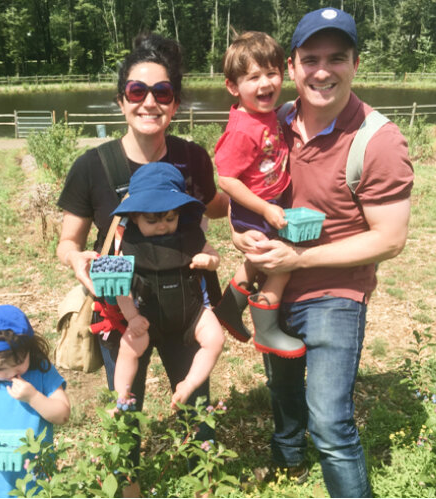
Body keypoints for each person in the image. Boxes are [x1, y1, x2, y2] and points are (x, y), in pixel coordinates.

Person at [231, 8, 414, 497]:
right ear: (291, 66)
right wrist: (238, 236)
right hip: (275, 284)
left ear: (355, 64)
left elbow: (390, 238)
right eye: (310, 58)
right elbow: (240, 190)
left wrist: (300, 261)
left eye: (337, 58)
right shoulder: (275, 121)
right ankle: (288, 463)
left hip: (335, 292)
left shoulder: (378, 140)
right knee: (284, 391)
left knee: (330, 422)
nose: (322, 70)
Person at [56, 32, 228, 488]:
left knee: (196, 402)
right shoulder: (93, 166)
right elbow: (67, 242)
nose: (149, 102)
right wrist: (79, 261)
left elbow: (217, 207)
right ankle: (126, 484)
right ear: (121, 100)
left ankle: (202, 481)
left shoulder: (192, 158)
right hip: (125, 309)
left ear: (175, 103)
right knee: (125, 403)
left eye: (162, 92)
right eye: (137, 91)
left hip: (186, 305)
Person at [212, 31, 305, 359]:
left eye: (272, 73)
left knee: (257, 262)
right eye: (253, 77)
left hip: (267, 203)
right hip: (256, 207)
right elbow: (227, 180)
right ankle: (266, 330)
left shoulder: (264, 115)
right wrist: (264, 209)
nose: (265, 83)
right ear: (233, 87)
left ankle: (227, 308)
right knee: (282, 262)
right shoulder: (241, 129)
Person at [110, 162, 225, 410]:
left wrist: (210, 260)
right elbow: (120, 286)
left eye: (170, 218)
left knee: (215, 339)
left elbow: (213, 255)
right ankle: (122, 393)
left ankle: (190, 383)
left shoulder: (190, 235)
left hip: (191, 312)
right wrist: (131, 316)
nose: (163, 225)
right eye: (152, 221)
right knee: (128, 348)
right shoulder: (127, 242)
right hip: (147, 315)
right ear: (134, 216)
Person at [0, 304, 70, 498]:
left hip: (41, 484)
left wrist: (34, 397)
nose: (12, 373)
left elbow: (62, 415)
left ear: (30, 349)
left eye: (19, 363)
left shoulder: (41, 372)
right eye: (1, 369)